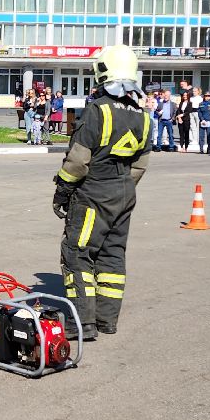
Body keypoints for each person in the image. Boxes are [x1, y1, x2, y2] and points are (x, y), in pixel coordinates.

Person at [51, 46, 150, 341]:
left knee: (77, 253)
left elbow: (79, 161)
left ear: (102, 72)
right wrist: (121, 188)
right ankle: (107, 320)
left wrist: (63, 192)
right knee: (112, 256)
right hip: (124, 192)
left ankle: (82, 322)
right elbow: (140, 166)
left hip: (94, 192)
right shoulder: (143, 116)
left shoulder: (97, 110)